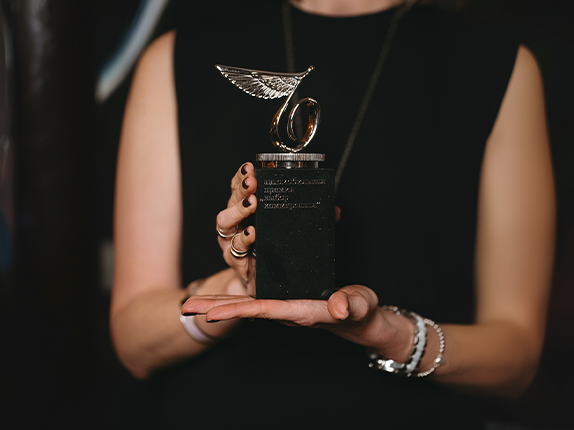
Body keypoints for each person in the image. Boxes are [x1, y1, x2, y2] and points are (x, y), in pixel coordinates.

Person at [110, 0, 554, 427]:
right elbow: (134, 343)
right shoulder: (178, 56)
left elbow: (517, 359)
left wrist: (393, 335)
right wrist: (236, 287)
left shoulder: (498, 64)